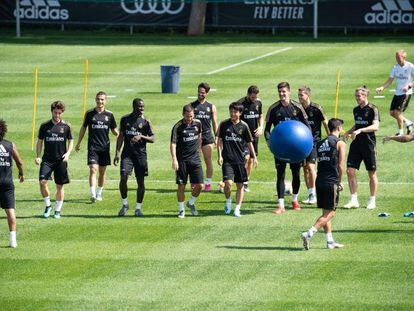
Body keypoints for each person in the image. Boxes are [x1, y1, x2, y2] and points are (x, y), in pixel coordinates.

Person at [264, 81, 310, 214]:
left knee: (296, 174)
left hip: (296, 148)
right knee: (280, 175)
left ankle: (295, 200)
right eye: (280, 92)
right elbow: (267, 129)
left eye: (284, 92)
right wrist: (269, 142)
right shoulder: (273, 109)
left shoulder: (297, 107)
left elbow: (307, 126)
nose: (282, 94)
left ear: (289, 92)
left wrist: (307, 144)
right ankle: (281, 205)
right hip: (279, 148)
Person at [301, 118, 346, 250]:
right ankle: (309, 233)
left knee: (325, 212)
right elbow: (341, 165)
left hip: (319, 180)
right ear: (338, 128)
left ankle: (330, 241)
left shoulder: (320, 143)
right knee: (331, 213)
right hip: (331, 181)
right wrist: (339, 182)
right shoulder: (340, 143)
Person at [75, 91, 118, 202]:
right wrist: (78, 142)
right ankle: (92, 194)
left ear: (106, 100)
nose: (100, 101)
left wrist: (120, 135)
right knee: (93, 169)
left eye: (102, 99)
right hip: (93, 147)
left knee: (102, 171)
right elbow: (83, 128)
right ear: (95, 100)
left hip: (105, 147)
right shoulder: (89, 113)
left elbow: (114, 130)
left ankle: (99, 193)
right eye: (98, 99)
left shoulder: (109, 115)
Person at [114, 98, 154, 217]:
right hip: (127, 154)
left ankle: (138, 208)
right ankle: (125, 204)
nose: (142, 109)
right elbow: (120, 136)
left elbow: (153, 138)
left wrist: (141, 136)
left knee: (140, 182)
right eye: (139, 107)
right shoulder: (125, 119)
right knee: (123, 177)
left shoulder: (146, 121)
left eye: (143, 107)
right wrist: (117, 153)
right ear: (134, 106)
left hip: (141, 155)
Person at [217, 102, 258, 217]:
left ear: (240, 113)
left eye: (235, 112)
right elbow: (219, 141)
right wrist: (219, 155)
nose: (232, 113)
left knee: (240, 186)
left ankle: (237, 209)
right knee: (228, 183)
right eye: (231, 111)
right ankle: (228, 200)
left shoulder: (244, 126)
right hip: (227, 160)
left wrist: (254, 157)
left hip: (240, 161)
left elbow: (250, 143)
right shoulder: (224, 124)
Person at [343, 87, 380, 210]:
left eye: (359, 96)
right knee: (350, 171)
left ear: (365, 96)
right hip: (356, 144)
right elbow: (358, 123)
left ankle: (372, 200)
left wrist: (360, 130)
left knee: (371, 173)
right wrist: (348, 131)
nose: (357, 98)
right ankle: (354, 200)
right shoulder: (356, 110)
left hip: (369, 144)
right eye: (356, 96)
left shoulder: (373, 109)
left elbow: (375, 126)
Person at [36, 101, 73, 219]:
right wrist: (38, 155)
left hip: (60, 160)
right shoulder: (44, 126)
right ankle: (48, 206)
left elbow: (71, 140)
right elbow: (40, 141)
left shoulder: (66, 126)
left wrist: (68, 153)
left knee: (59, 186)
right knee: (42, 182)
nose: (57, 115)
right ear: (51, 111)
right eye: (55, 112)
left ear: (62, 113)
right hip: (47, 159)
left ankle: (57, 210)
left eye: (59, 113)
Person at [170, 105, 203, 218]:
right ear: (183, 114)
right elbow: (173, 143)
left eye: (191, 116)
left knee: (200, 185)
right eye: (188, 116)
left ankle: (191, 202)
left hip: (195, 159)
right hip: (182, 160)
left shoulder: (197, 123)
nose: (190, 119)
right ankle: (181, 209)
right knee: (181, 186)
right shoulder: (177, 127)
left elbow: (199, 136)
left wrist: (199, 150)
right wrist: (174, 159)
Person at [298, 86, 329, 204]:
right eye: (299, 95)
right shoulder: (297, 109)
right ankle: (310, 193)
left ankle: (315, 193)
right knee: (305, 168)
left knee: (311, 167)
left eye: (301, 95)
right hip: (301, 143)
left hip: (314, 142)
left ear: (308, 95)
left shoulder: (317, 108)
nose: (299, 97)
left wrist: (331, 138)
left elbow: (325, 122)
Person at [376, 50, 414, 136]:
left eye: (398, 57)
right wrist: (382, 87)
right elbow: (390, 79)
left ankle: (400, 132)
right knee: (392, 113)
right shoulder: (395, 67)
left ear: (404, 57)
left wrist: (409, 86)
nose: (397, 59)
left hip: (406, 93)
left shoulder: (410, 66)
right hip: (398, 93)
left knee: (397, 113)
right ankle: (408, 123)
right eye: (396, 57)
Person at [0, 119, 24, 248]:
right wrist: (21, 173)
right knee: (10, 211)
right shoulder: (10, 145)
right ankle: (13, 240)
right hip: (7, 183)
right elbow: (19, 162)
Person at [191, 82, 218, 191]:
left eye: (202, 92)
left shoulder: (211, 106)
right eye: (199, 92)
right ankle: (194, 182)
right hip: (194, 136)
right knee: (194, 161)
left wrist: (217, 137)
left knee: (208, 160)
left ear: (206, 93)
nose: (200, 94)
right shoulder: (192, 106)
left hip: (207, 136)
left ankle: (207, 183)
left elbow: (215, 123)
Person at [237, 85, 263, 193]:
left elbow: (260, 115)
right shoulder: (241, 103)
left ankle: (246, 182)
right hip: (243, 136)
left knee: (251, 159)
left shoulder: (258, 103)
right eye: (252, 97)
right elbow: (236, 118)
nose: (254, 99)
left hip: (254, 136)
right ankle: (240, 180)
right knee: (245, 158)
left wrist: (261, 127)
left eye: (256, 97)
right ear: (248, 94)